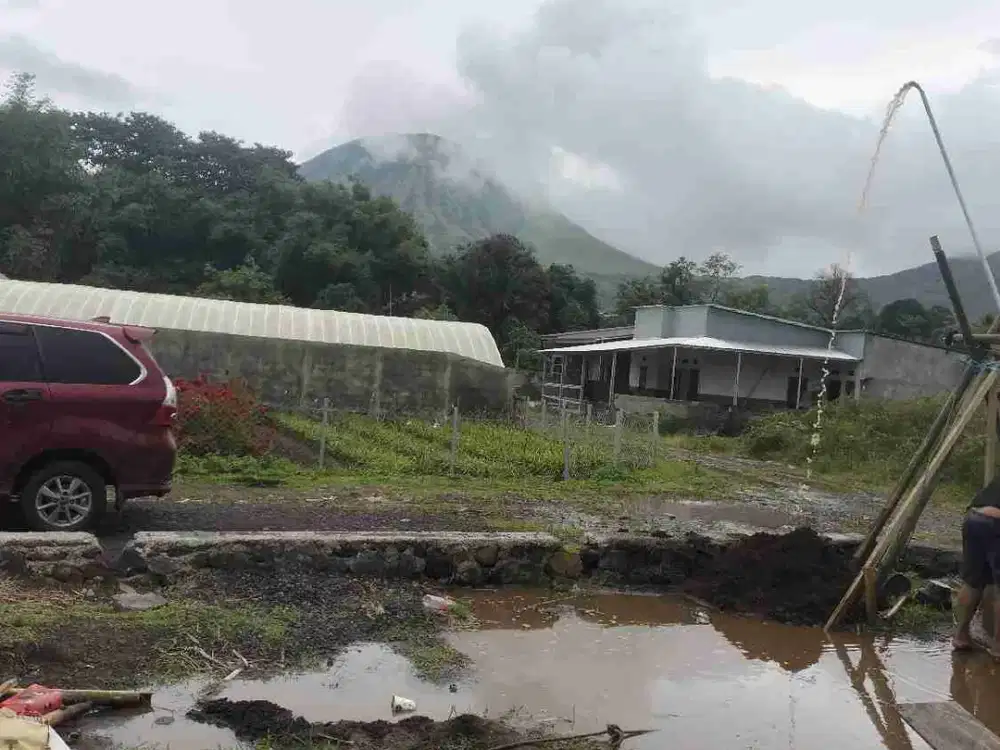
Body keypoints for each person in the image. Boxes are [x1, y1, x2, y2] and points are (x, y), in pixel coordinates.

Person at [954, 474, 1000, 654]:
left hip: (974, 518)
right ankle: (998, 646)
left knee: (973, 582)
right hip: (997, 523)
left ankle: (960, 635)